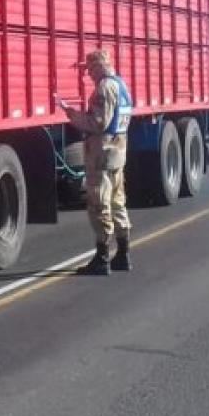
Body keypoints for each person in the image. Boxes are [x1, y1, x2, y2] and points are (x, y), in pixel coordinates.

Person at [59, 49, 134, 275]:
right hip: (118, 151)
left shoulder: (104, 88)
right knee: (117, 202)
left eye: (90, 69)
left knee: (99, 203)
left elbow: (98, 122)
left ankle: (102, 258)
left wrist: (71, 114)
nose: (88, 74)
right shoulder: (121, 85)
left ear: (99, 66)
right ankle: (123, 254)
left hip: (102, 153)